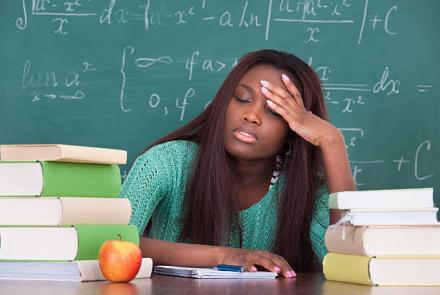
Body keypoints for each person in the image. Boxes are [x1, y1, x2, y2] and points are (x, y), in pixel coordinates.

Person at [120, 49, 355, 278]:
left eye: (275, 111)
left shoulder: (307, 192)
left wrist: (332, 141)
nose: (251, 115)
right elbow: (112, 240)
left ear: (293, 132)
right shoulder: (166, 163)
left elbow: (351, 262)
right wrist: (223, 256)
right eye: (242, 98)